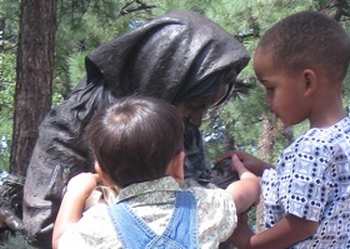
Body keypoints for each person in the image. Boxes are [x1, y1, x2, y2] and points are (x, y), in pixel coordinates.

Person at [23, 10, 249, 248]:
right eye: (194, 105)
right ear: (161, 77)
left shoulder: (178, 131)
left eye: (205, 108)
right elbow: (42, 226)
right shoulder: (68, 130)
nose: (198, 120)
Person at [221, 11, 350, 249]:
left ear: (307, 82)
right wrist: (267, 170)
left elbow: (300, 225)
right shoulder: (349, 134)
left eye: (271, 88)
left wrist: (249, 242)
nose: (268, 101)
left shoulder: (311, 147)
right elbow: (320, 190)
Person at [51, 96, 260, 249]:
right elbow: (244, 192)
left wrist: (75, 193)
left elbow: (61, 241)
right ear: (179, 164)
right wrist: (248, 176)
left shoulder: (99, 223)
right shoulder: (204, 205)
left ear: (102, 173)